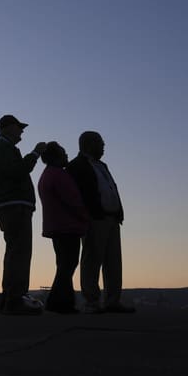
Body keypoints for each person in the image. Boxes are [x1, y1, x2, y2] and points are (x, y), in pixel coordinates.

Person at [66, 131, 135, 314]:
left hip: (112, 218)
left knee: (113, 262)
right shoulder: (76, 166)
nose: (104, 146)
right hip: (94, 219)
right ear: (89, 144)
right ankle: (91, 301)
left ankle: (112, 301)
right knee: (92, 260)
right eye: (101, 143)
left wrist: (119, 212)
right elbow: (75, 195)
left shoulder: (102, 165)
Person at [0, 114, 47, 316]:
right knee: (20, 251)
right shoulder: (3, 149)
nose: (21, 131)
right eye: (18, 127)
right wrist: (35, 154)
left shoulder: (5, 149)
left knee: (15, 251)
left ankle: (10, 298)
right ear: (6, 128)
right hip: (13, 205)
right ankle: (15, 298)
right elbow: (17, 171)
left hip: (12, 205)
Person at [37, 141, 89, 313]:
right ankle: (59, 303)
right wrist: (85, 217)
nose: (67, 156)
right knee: (68, 265)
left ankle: (60, 302)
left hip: (57, 226)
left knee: (64, 265)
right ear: (56, 157)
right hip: (67, 226)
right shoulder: (59, 175)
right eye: (64, 153)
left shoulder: (47, 175)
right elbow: (72, 200)